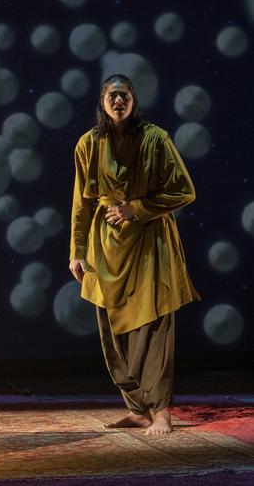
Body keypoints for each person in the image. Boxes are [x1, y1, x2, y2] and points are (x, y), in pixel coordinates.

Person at [69, 74, 200, 436]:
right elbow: (81, 202)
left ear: (133, 100)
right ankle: (137, 408)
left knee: (153, 324)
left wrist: (137, 210)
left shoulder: (155, 139)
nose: (118, 103)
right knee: (111, 328)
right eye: (112, 97)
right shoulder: (88, 144)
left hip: (150, 243)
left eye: (124, 96)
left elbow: (184, 190)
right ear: (102, 101)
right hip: (105, 245)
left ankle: (161, 411)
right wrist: (76, 251)